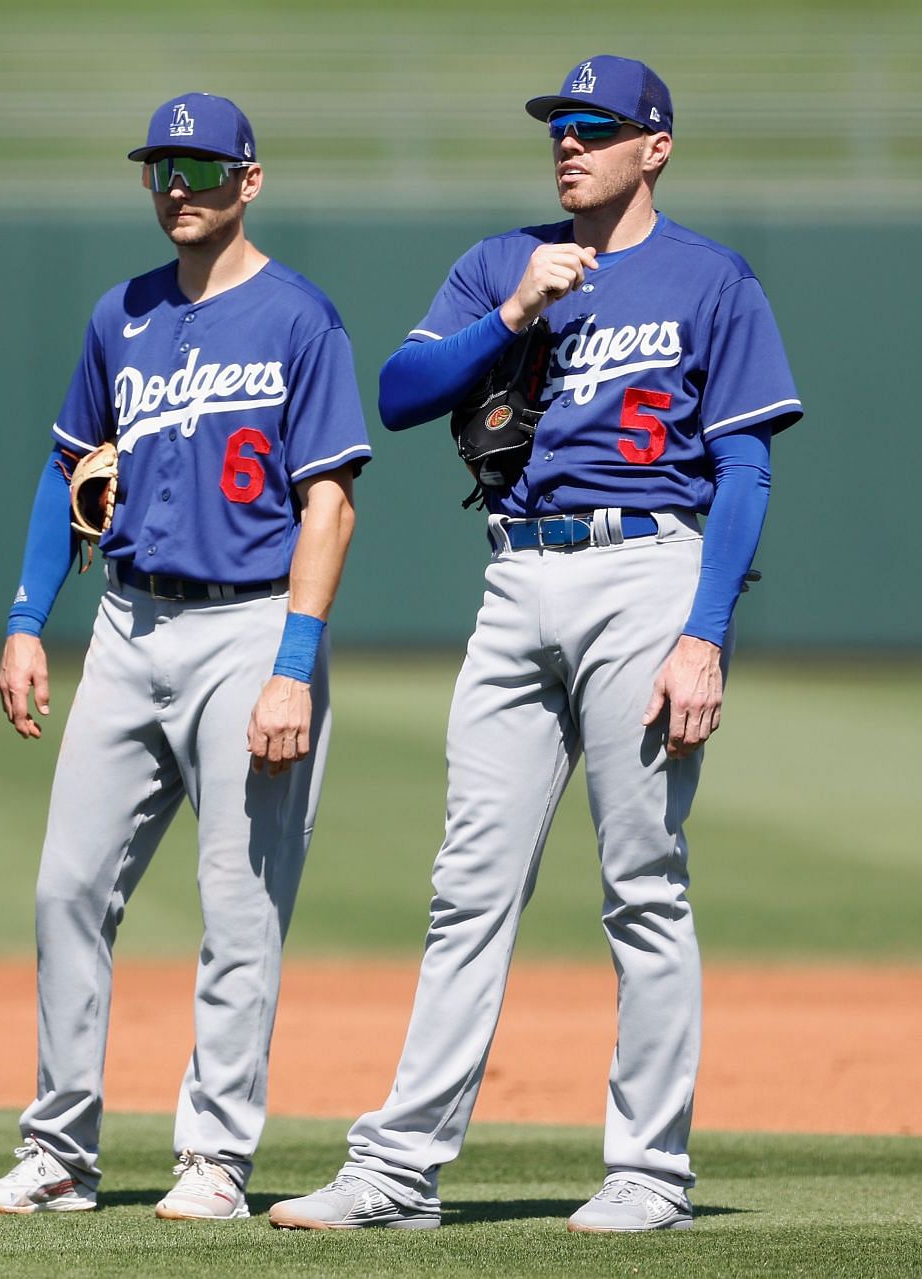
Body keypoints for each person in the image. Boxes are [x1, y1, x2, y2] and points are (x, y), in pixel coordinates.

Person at [269, 56, 801, 1235]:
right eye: (559, 125)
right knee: (467, 884)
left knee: (642, 884)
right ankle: (398, 1172)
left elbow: (749, 467)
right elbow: (402, 394)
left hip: (649, 566)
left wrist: (704, 636)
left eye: (596, 127)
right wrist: (513, 313)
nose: (569, 142)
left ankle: (650, 1174)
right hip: (516, 575)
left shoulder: (712, 280)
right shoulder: (499, 262)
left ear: (654, 146)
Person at [0, 94, 370, 1220]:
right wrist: (25, 618)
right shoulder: (121, 314)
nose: (174, 185)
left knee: (239, 906)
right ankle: (58, 1155)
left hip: (251, 627)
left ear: (248, 179)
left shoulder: (299, 317)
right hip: (130, 627)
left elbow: (327, 503)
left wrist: (294, 662)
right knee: (65, 889)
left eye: (196, 165)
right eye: (158, 168)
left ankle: (215, 1162)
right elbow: (68, 470)